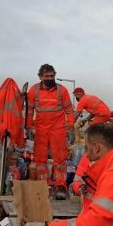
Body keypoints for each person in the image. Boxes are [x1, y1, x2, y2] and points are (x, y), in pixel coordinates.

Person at [26, 64, 75, 199]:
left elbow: (69, 111)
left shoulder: (62, 90)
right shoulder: (33, 91)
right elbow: (29, 111)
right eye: (47, 76)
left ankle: (60, 185)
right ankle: (44, 184)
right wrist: (29, 127)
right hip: (41, 128)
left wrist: (71, 128)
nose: (50, 78)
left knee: (60, 158)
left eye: (52, 76)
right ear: (40, 77)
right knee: (40, 158)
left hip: (58, 128)